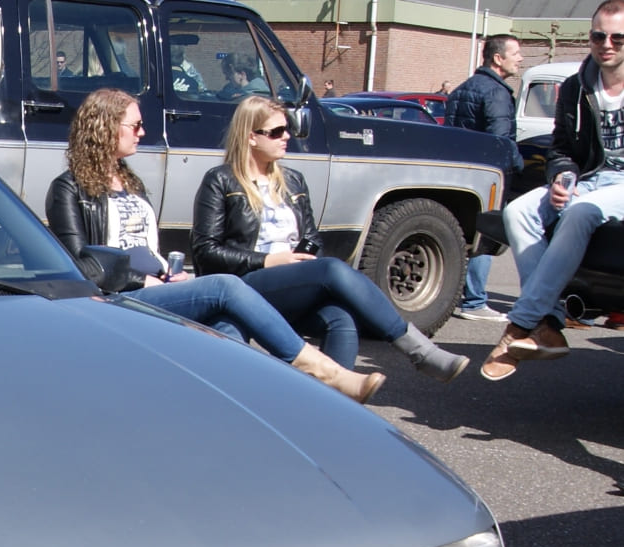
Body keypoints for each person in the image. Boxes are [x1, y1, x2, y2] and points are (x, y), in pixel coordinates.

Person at [47, 88, 383, 403]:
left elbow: (144, 247)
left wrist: (167, 272)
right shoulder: (68, 189)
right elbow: (81, 263)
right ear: (105, 128)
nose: (142, 132)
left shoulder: (131, 182)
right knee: (225, 286)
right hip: (119, 297)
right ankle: (319, 368)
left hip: (160, 286)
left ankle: (241, 408)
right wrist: (138, 279)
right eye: (134, 125)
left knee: (228, 323)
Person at [191, 95, 470, 383]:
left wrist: (303, 257)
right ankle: (419, 351)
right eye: (275, 132)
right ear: (251, 137)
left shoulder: (293, 181)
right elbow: (205, 251)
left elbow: (312, 238)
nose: (286, 137)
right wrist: (270, 261)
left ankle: (336, 404)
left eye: (287, 129)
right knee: (332, 269)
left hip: (290, 281)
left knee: (341, 316)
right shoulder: (221, 180)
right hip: (245, 283)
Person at [483, 0, 624, 381]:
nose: (607, 44)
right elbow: (561, 149)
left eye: (618, 37)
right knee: (517, 212)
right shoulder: (578, 86)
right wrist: (562, 177)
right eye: (599, 35)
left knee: (581, 212)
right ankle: (548, 322)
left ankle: (520, 325)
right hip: (592, 178)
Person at [446, 34, 525, 322]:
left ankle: (461, 295)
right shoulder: (496, 93)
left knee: (464, 232)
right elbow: (501, 141)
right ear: (497, 58)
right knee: (487, 234)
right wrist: (518, 166)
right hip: (488, 174)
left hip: (458, 172)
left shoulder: (461, 89)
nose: (521, 58)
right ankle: (475, 301)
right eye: (515, 53)